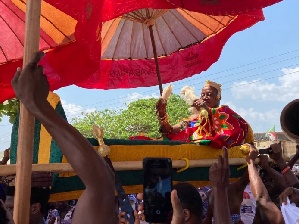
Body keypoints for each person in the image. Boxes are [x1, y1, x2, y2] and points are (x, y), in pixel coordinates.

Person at [156, 81, 253, 148]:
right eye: (202, 95)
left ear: (218, 97)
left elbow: (231, 131)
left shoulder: (225, 111)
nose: (205, 97)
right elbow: (170, 130)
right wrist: (162, 114)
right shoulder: (195, 119)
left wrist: (207, 109)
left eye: (209, 94)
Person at [245, 144, 284, 224]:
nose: (268, 183)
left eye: (271, 180)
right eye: (264, 181)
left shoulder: (286, 204)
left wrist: (250, 162)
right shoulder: (256, 207)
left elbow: (262, 198)